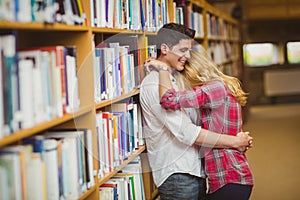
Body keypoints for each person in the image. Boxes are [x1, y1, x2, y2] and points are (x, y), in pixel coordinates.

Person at [139, 23, 253, 200]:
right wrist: (234, 141)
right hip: (177, 174)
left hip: (196, 170)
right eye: (183, 50)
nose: (187, 56)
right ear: (164, 49)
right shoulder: (155, 83)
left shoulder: (176, 80)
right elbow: (186, 131)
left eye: (189, 50)